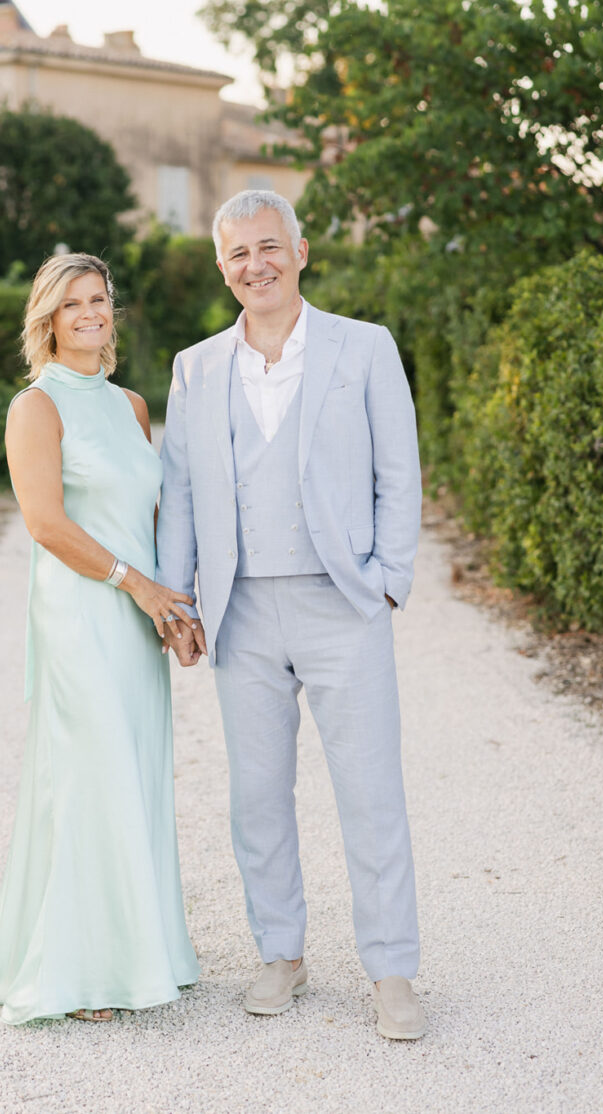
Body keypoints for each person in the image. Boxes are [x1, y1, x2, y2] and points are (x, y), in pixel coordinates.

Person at [156, 190, 425, 1039]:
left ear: (300, 252)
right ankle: (281, 953)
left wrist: (387, 581)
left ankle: (391, 971)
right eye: (238, 253)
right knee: (258, 796)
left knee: (371, 792)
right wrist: (179, 602)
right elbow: (180, 494)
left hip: (343, 603)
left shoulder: (364, 347)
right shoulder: (196, 368)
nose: (256, 265)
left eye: (269, 247)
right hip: (241, 612)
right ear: (222, 268)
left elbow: (399, 471)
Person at [0, 252, 199, 1024]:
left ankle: (140, 954)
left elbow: (152, 518)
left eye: (99, 299)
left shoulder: (132, 407)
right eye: (73, 303)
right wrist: (137, 586)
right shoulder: (36, 407)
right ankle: (80, 971)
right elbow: (46, 524)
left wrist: (174, 610)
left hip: (137, 619)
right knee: (90, 777)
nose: (90, 313)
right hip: (80, 616)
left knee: (135, 771)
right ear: (48, 320)